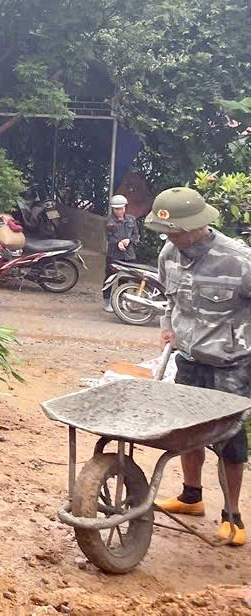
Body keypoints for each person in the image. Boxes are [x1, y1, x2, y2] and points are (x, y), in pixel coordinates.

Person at [148, 187, 251, 547]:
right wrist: (167, 327)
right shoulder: (168, 253)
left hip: (230, 366)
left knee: (229, 441)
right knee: (188, 430)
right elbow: (170, 299)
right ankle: (192, 497)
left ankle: (232, 516)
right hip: (189, 359)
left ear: (197, 225)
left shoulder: (239, 261)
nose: (171, 238)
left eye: (175, 231)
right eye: (166, 232)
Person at [103, 194, 140, 312]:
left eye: (121, 208)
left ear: (125, 207)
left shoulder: (131, 219)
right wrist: (118, 243)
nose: (119, 211)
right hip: (113, 255)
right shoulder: (109, 221)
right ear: (113, 209)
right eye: (116, 209)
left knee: (125, 279)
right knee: (109, 279)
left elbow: (136, 236)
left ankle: (120, 301)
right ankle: (107, 301)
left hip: (129, 255)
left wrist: (129, 240)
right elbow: (109, 237)